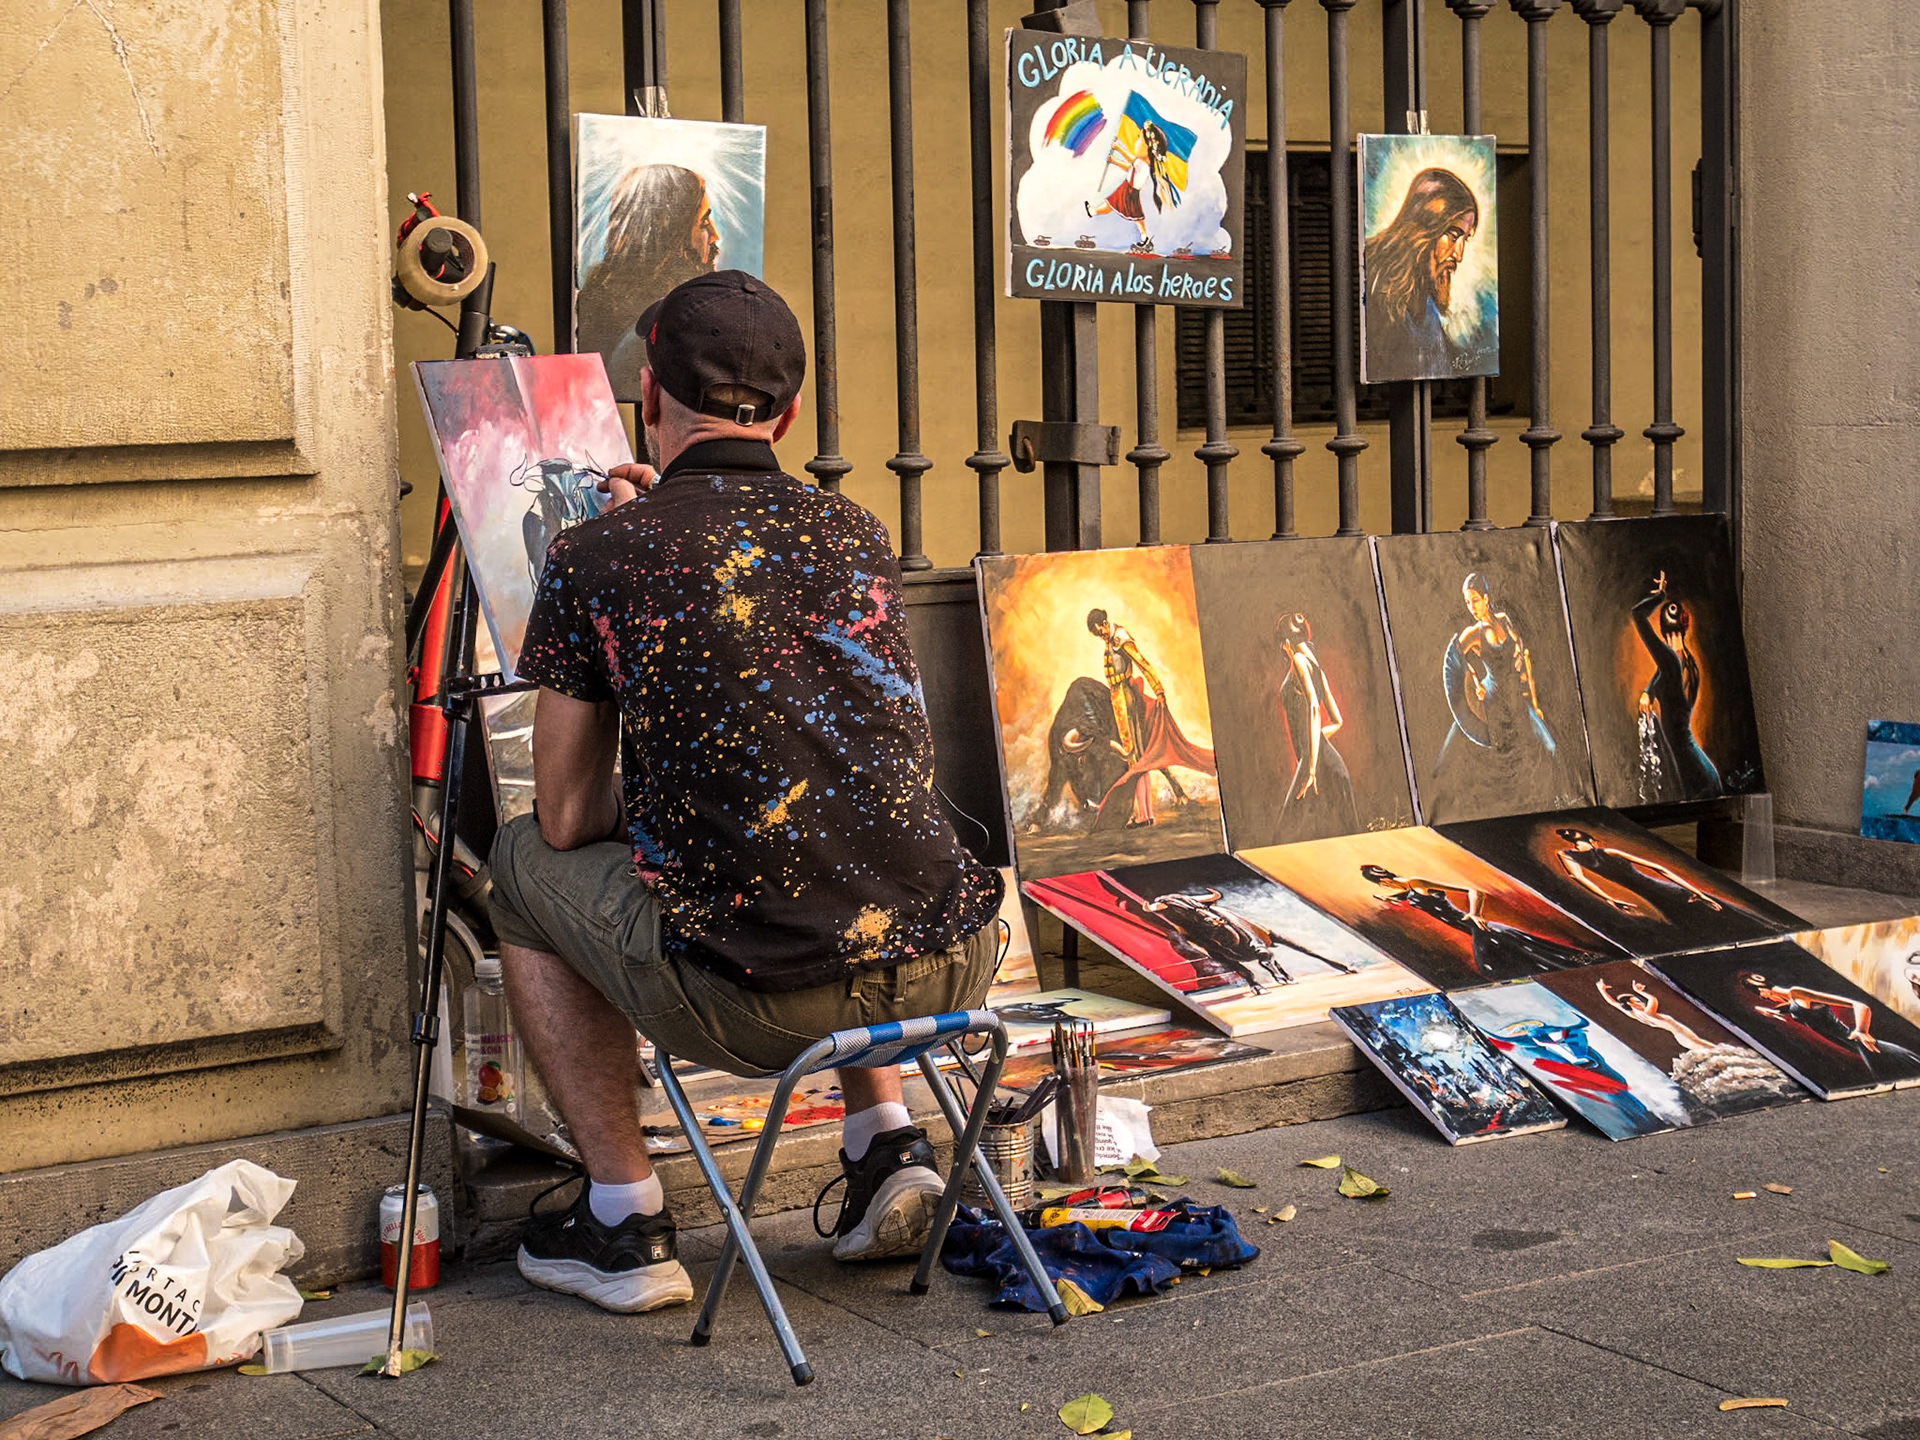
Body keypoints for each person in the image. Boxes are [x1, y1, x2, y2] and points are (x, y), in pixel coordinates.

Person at [489, 271, 1003, 1314]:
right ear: (790, 412)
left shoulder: (601, 553)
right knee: (830, 827)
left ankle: (624, 1219)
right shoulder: (850, 529)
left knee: (516, 867)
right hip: (952, 967)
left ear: (646, 394)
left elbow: (566, 820)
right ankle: (886, 1142)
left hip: (759, 1004)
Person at [575, 164, 722, 396]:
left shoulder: (604, 302)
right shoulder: (650, 339)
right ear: (671, 233)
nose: (715, 236)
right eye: (703, 222)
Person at [1085, 609, 1215, 828]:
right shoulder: (1110, 640)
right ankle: (1144, 815)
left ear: (1105, 623)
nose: (1101, 636)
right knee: (1134, 759)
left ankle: (1144, 816)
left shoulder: (1120, 639)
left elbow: (1142, 663)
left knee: (1135, 759)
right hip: (1118, 699)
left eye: (1100, 631)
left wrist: (1158, 689)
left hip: (1125, 699)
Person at [1361, 863, 1596, 980]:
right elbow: (1415, 899)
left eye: (1382, 884)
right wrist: (1391, 898)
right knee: (1521, 961)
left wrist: (1474, 913)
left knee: (1493, 967)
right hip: (1475, 931)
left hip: (1483, 928)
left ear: (1384, 880)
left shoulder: (1416, 882)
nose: (1384, 887)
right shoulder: (1406, 890)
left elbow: (1472, 890)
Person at [1436, 572, 1557, 798]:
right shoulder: (1473, 633)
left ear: (1486, 598)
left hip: (1516, 699)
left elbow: (1524, 661)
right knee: (1501, 762)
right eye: (1467, 602)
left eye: (1475, 600)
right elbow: (1454, 661)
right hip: (1492, 702)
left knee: (1549, 747)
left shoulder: (1504, 619)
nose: (1471, 607)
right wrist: (1473, 682)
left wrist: (1534, 703)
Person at [1362, 166, 1480, 380]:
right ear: (1424, 229)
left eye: (1465, 239)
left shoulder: (1427, 306)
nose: (1458, 254)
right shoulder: (1375, 283)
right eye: (1453, 235)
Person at [1632, 571, 1723, 801]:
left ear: (1663, 629)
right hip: (1701, 771)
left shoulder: (1671, 661)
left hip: (1695, 774)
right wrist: (1647, 692)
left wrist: (1660, 595)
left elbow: (1637, 615)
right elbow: (1663, 675)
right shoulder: (1687, 662)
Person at [1275, 613, 1358, 837]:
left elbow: (1313, 706)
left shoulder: (1299, 660)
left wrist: (1311, 768)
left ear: (1286, 643)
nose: (1283, 650)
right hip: (1326, 761)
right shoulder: (1315, 663)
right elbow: (1337, 720)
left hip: (1315, 765)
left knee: (1285, 833)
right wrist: (1315, 741)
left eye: (1282, 645)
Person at [1552, 826, 1725, 922]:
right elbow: (1579, 877)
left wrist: (1699, 892)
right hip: (1652, 899)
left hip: (1667, 891)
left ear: (1585, 835)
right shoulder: (1567, 854)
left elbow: (1658, 868)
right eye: (1564, 834)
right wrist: (1609, 898)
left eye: (1570, 831)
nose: (1566, 833)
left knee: (1711, 918)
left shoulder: (1610, 852)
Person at [1085, 121, 1174, 254]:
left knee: (1122, 208)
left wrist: (1118, 148)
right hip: (1128, 188)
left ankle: (1094, 211)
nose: (1136, 141)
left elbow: (1132, 161)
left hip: (1130, 190)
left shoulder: (1143, 162)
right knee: (1120, 207)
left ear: (1148, 146)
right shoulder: (1142, 163)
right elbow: (1129, 168)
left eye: (1139, 138)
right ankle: (1094, 211)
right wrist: (1114, 161)